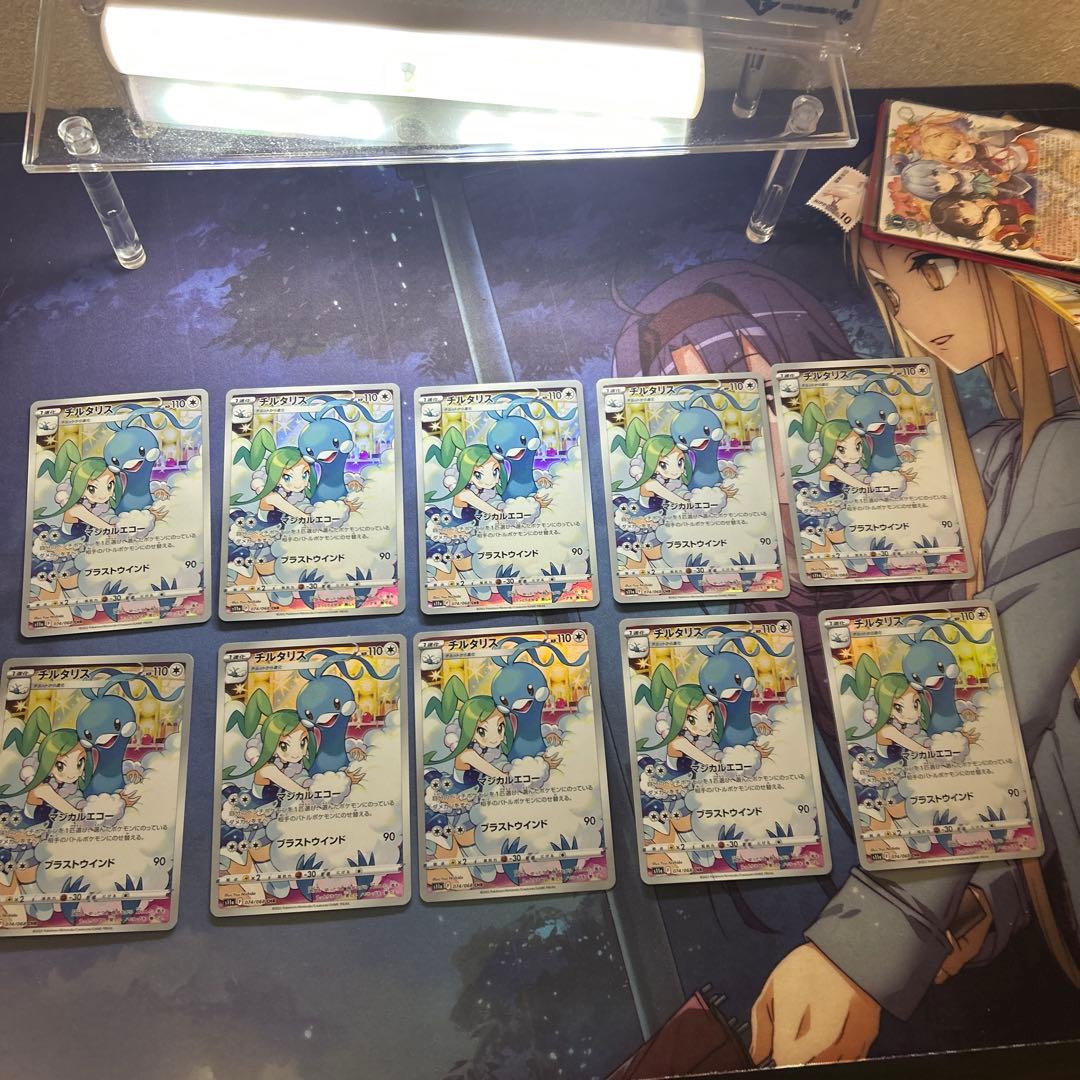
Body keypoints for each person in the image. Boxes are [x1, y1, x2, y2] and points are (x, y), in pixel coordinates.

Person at [749, 233, 1080, 1066]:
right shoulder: (1002, 453)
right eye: (891, 295)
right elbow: (1051, 760)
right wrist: (980, 902)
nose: (916, 315)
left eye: (933, 271)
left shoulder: (1063, 452)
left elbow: (996, 705)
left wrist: (865, 944)